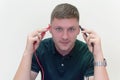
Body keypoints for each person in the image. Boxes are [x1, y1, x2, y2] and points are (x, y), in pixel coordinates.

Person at [14, 3, 109, 80]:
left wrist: (98, 55)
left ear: (78, 31)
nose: (65, 36)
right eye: (59, 29)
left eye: (71, 29)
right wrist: (28, 52)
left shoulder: (87, 52)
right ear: (50, 29)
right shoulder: (41, 48)